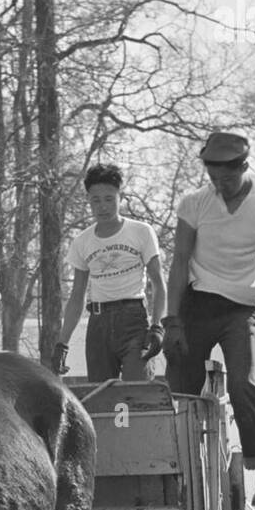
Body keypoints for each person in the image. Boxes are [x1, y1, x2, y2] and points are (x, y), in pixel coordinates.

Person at [163, 132, 255, 507]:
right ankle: (180, 474)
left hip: (241, 309)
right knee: (182, 388)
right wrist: (172, 320)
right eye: (213, 178)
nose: (220, 186)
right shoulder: (194, 204)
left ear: (245, 167)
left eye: (228, 178)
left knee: (242, 383)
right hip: (196, 304)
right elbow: (179, 261)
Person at [52, 164, 166, 382]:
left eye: (109, 199)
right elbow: (77, 296)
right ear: (88, 201)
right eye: (96, 200)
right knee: (100, 396)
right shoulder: (82, 242)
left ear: (119, 198)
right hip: (98, 324)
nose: (102, 207)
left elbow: (158, 283)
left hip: (133, 321)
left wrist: (157, 326)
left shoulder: (141, 232)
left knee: (136, 392)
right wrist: (62, 343)